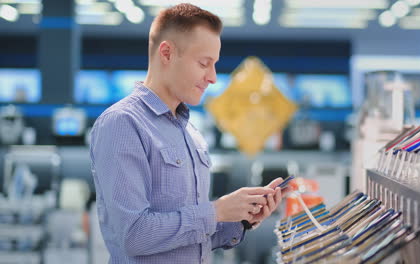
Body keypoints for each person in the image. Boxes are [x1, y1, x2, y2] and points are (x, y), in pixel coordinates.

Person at [89, 3, 287, 263]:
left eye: (214, 64)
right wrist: (216, 210)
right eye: (204, 63)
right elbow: (134, 235)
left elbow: (190, 237)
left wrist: (240, 219)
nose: (213, 77)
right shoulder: (123, 124)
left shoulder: (189, 132)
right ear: (167, 53)